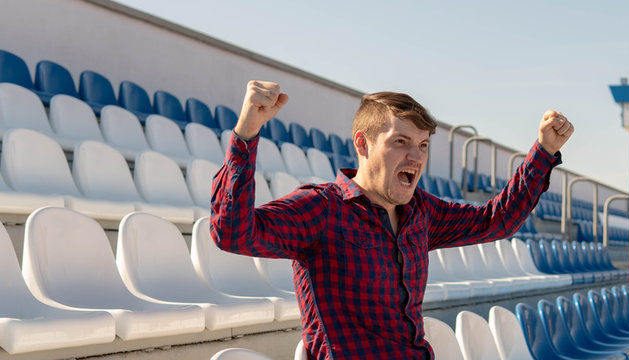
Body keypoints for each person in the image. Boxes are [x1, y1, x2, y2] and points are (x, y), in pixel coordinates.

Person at [211, 80, 573, 359]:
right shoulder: (322, 209)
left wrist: (543, 151)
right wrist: (246, 133)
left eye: (423, 145)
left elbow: (496, 220)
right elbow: (232, 234)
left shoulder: (421, 212)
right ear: (363, 144)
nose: (415, 156)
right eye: (401, 141)